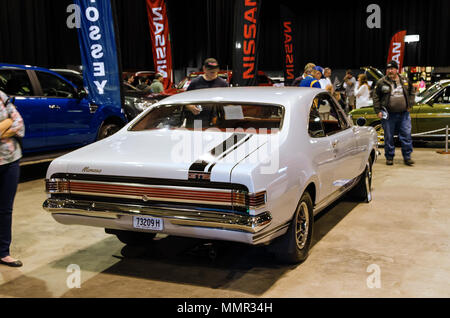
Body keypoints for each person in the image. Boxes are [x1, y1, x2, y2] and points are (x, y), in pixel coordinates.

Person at [373, 60, 416, 166]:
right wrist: (378, 111)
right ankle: (389, 157)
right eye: (388, 69)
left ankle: (407, 157)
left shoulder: (405, 80)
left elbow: (412, 91)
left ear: (397, 70)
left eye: (392, 68)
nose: (390, 71)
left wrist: (410, 104)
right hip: (388, 114)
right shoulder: (381, 82)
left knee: (406, 135)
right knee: (388, 136)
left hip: (404, 114)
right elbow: (376, 97)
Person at [0, 90, 25, 267]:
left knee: (5, 209)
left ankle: (3, 252)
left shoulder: (1, 95)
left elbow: (19, 123)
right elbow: (12, 121)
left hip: (10, 159)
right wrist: (7, 121)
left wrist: (8, 123)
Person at [184, 58, 228, 128]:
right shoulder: (195, 83)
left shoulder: (223, 84)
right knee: (197, 136)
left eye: (215, 69)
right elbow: (185, 99)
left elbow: (228, 103)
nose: (213, 71)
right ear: (204, 69)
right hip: (198, 118)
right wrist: (190, 107)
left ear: (218, 69)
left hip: (216, 119)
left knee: (215, 137)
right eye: (210, 69)